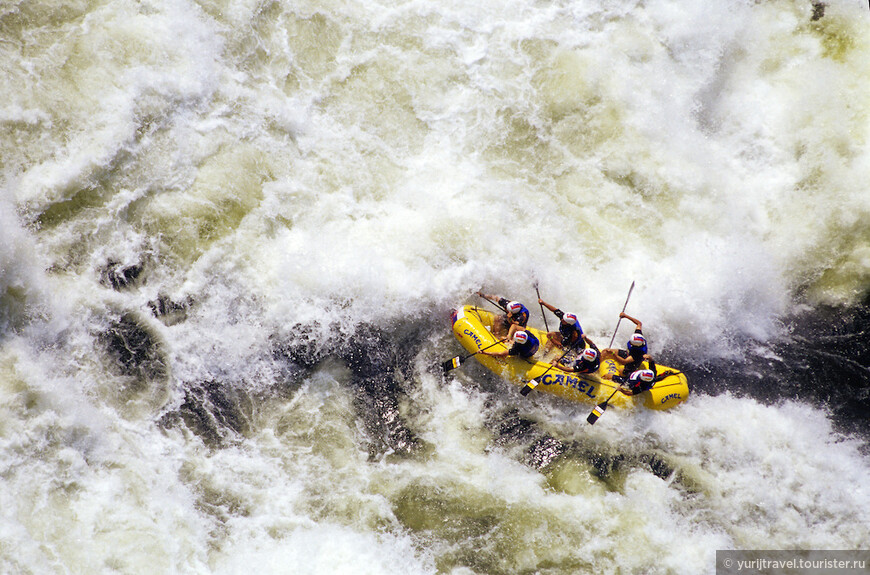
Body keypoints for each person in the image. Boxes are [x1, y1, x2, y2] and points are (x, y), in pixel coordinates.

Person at [602, 312, 648, 377]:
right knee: (605, 351)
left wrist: (613, 354)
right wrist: (626, 316)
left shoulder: (638, 353)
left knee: (621, 371)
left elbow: (624, 361)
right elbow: (639, 323)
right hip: (628, 354)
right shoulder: (638, 336)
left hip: (633, 362)